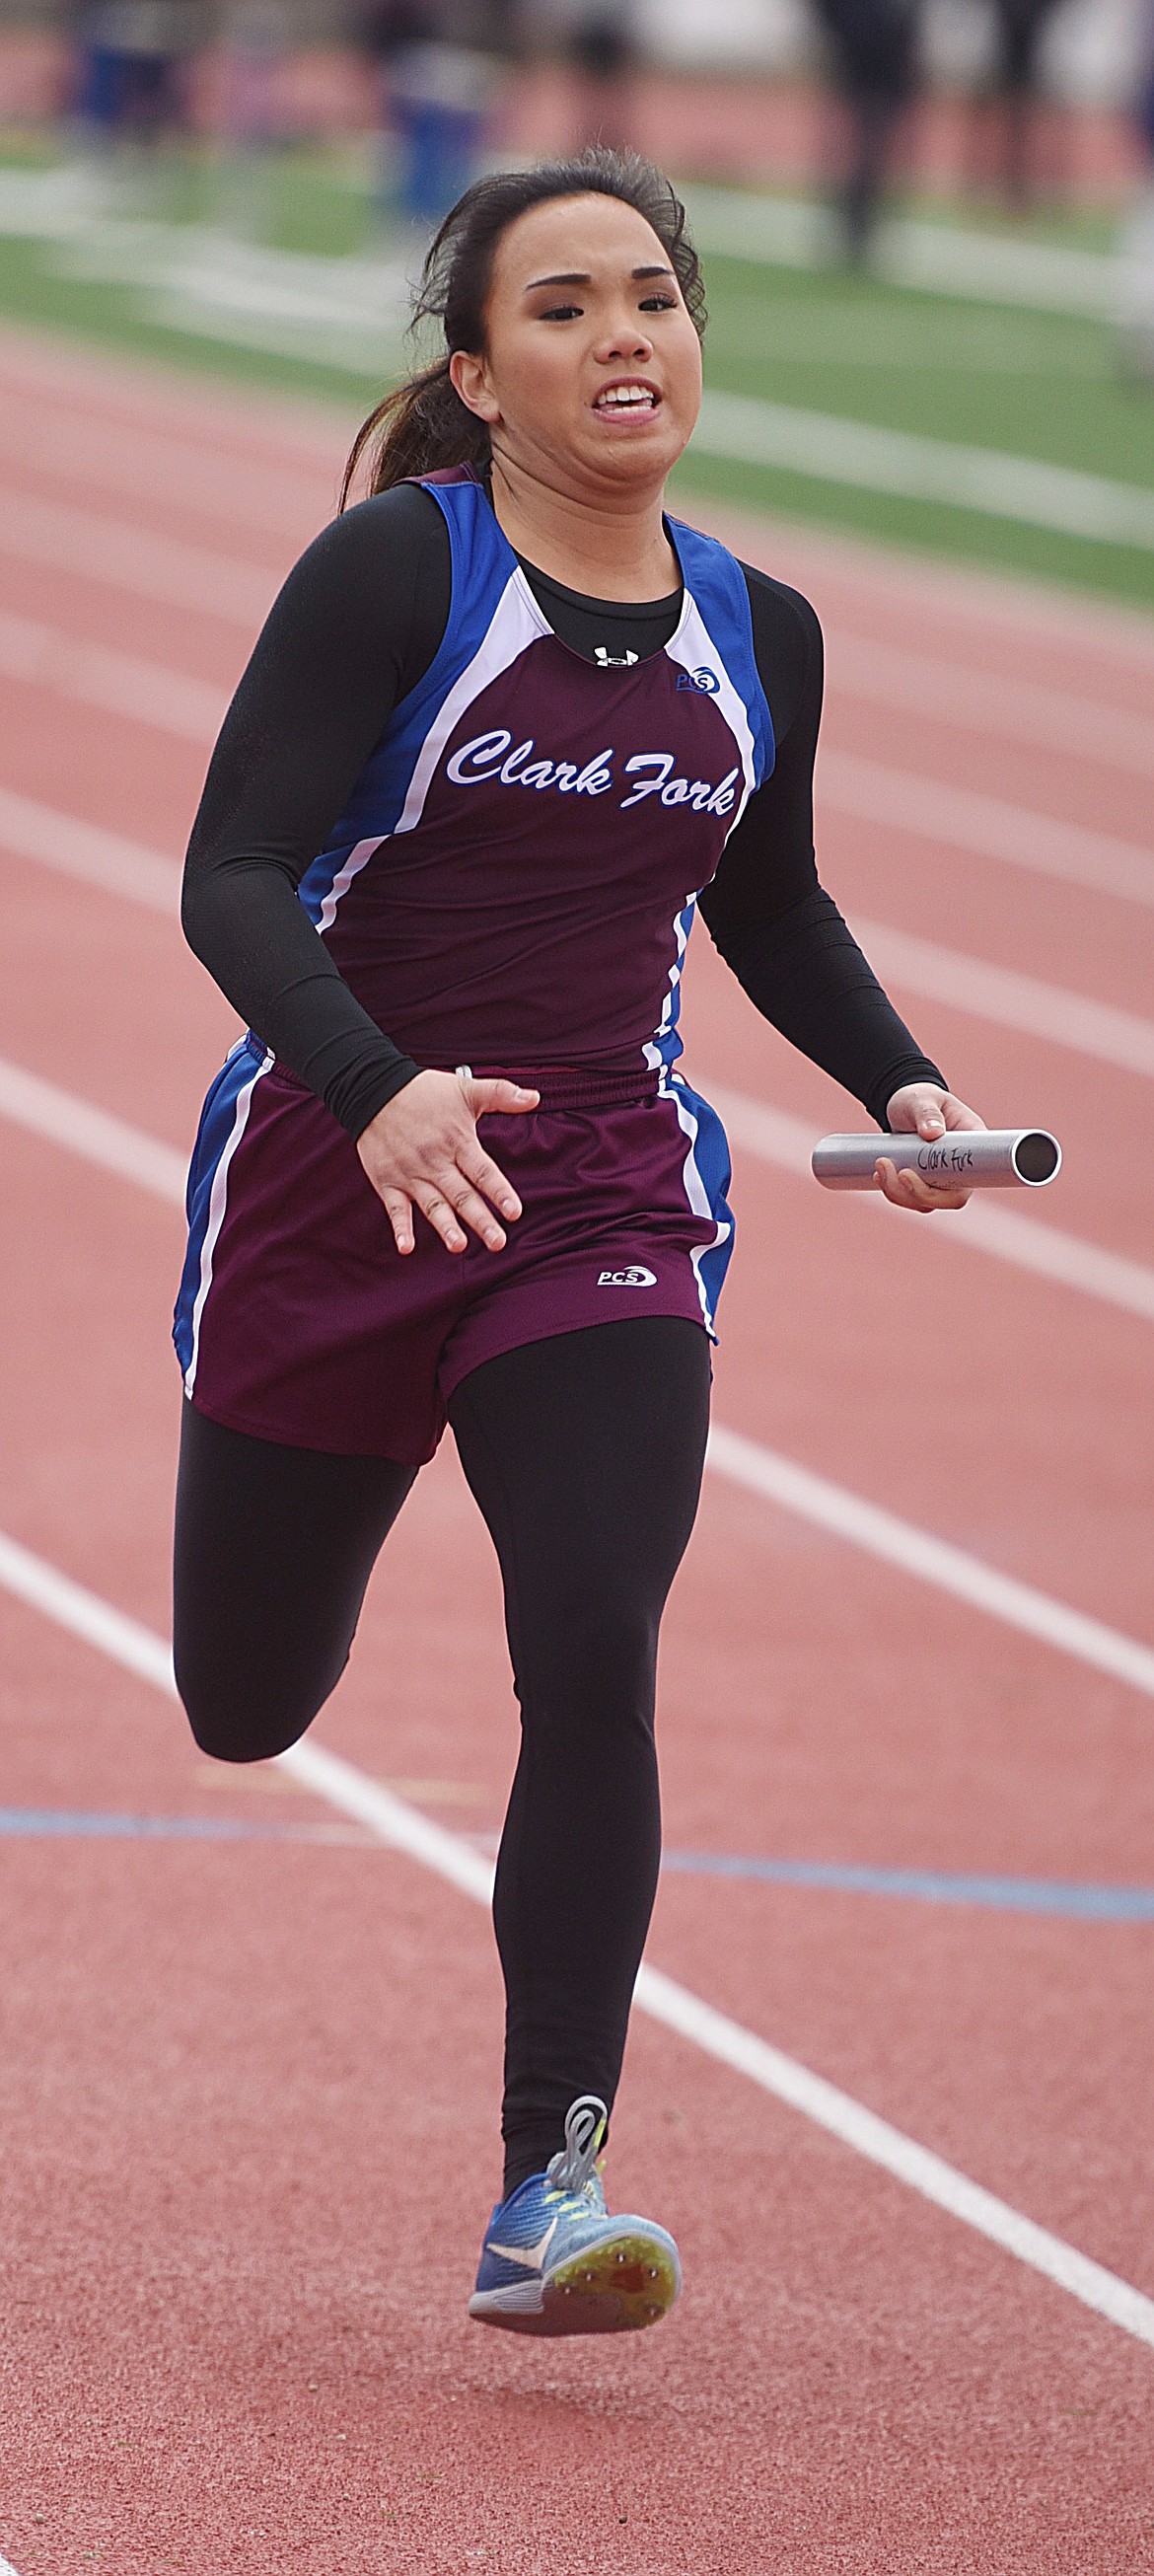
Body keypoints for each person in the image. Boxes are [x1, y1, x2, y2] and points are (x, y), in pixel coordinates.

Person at [172, 145, 983, 2337]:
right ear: (477, 368)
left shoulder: (758, 625)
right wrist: (376, 1083)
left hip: (601, 1189)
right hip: (338, 1186)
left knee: (594, 1634)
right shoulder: (391, 576)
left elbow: (771, 900)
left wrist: (899, 1088)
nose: (626, 334)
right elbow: (233, 874)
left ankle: (552, 2183)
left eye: (655, 293)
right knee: (244, 1707)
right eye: (564, 306)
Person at [812, 0, 921, 260]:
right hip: (859, 51)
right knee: (856, 141)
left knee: (876, 142)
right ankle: (853, 216)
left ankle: (866, 214)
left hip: (888, 53)